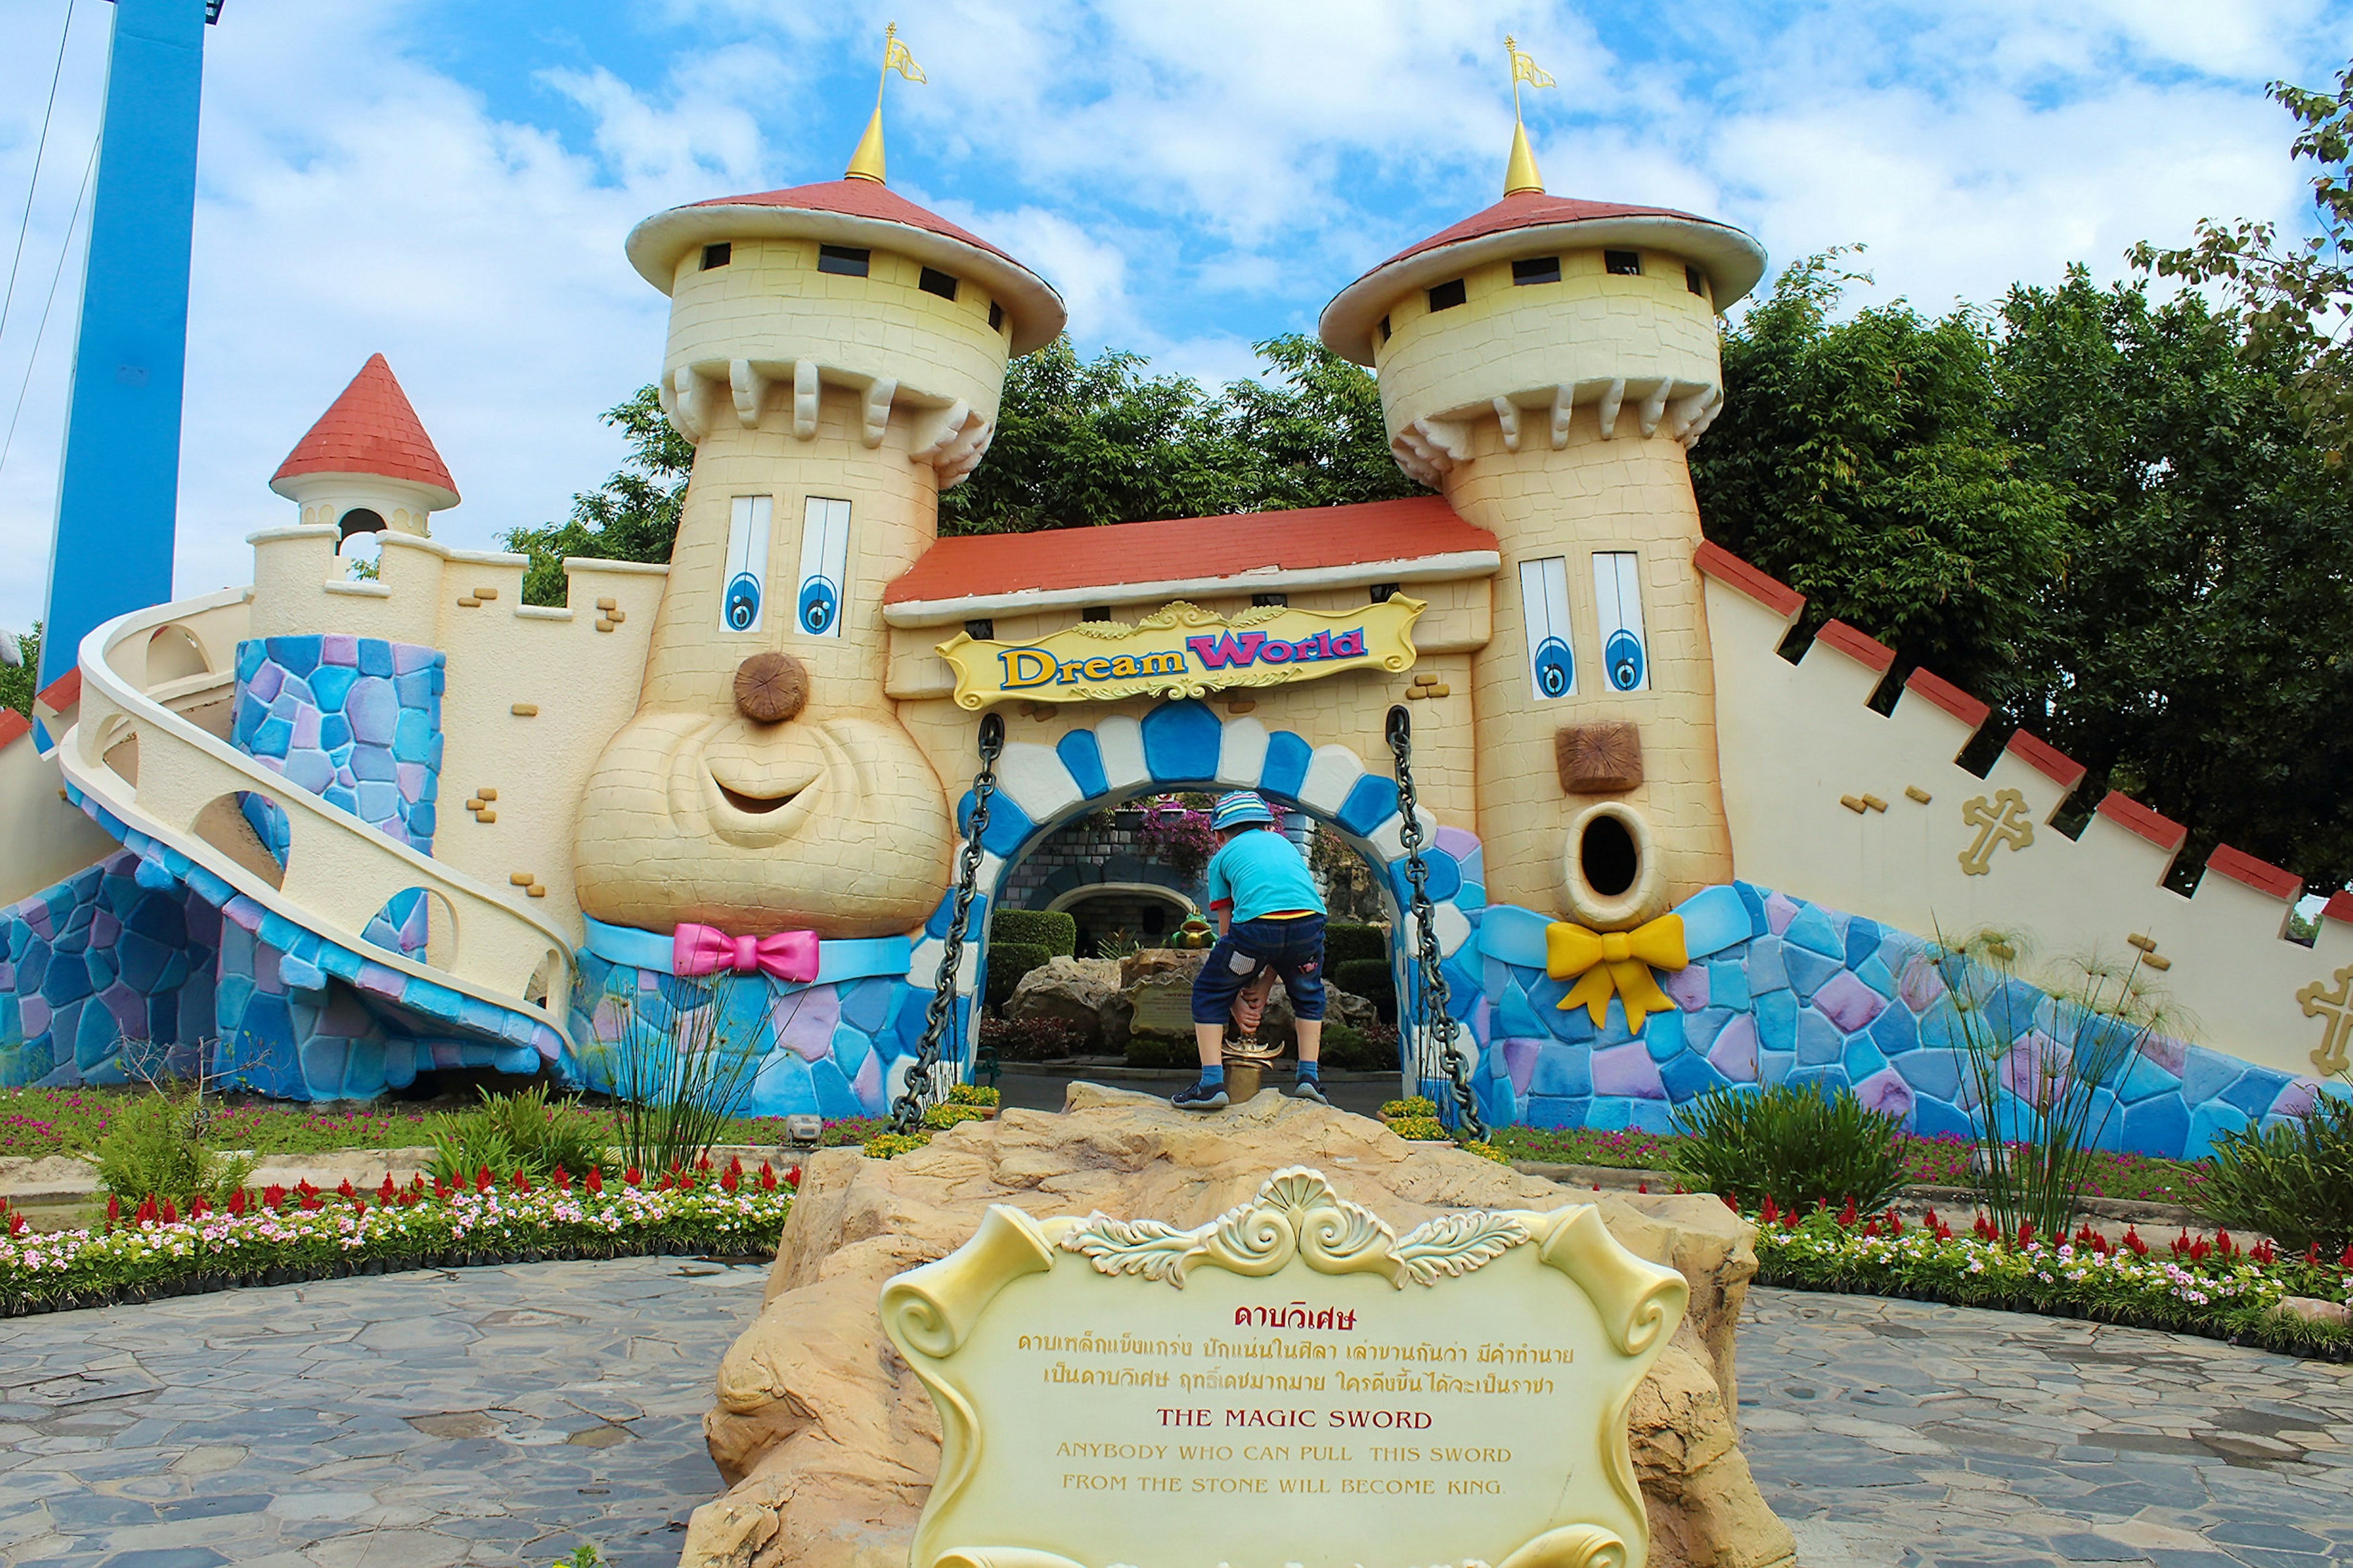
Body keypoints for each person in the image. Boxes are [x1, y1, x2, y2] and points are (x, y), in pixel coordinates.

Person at [1173, 791, 1328, 1112]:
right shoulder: (1286, 847)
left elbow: (1230, 936)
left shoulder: (1222, 859)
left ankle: (1211, 1083)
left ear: (1219, 835)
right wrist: (1265, 983)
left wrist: (1233, 998)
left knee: (1207, 991)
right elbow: (1283, 943)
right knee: (1309, 993)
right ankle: (1309, 1079)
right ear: (1269, 826)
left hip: (1256, 930)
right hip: (1308, 927)